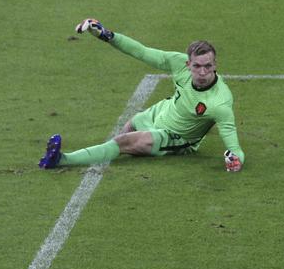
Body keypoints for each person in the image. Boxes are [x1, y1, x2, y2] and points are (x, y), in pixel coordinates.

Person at [38, 18, 244, 173]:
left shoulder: (220, 102)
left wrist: (236, 159)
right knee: (126, 130)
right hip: (161, 112)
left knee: (123, 141)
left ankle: (62, 160)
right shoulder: (178, 63)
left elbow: (233, 144)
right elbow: (141, 52)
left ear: (215, 65)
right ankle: (114, 151)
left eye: (208, 66)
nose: (202, 72)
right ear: (188, 64)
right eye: (197, 66)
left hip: (175, 138)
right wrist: (107, 35)